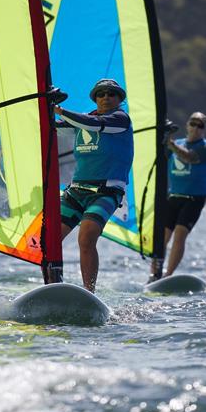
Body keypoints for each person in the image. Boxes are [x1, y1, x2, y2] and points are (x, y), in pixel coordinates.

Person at [52, 78, 134, 292]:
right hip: (76, 191)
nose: (106, 97)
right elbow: (47, 125)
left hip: (106, 192)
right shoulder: (85, 119)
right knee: (49, 238)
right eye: (101, 93)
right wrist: (6, 121)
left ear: (119, 99)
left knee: (86, 237)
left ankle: (89, 293)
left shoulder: (120, 119)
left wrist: (58, 110)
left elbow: (92, 125)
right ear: (95, 99)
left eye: (111, 93)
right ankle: (53, 287)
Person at [150, 112, 206, 281]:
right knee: (162, 237)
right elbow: (159, 157)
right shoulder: (176, 144)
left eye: (200, 125)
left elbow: (189, 158)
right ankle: (154, 274)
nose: (196, 128)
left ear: (204, 129)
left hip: (193, 200)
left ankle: (168, 276)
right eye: (193, 123)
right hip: (174, 197)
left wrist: (170, 144)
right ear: (187, 125)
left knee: (179, 234)